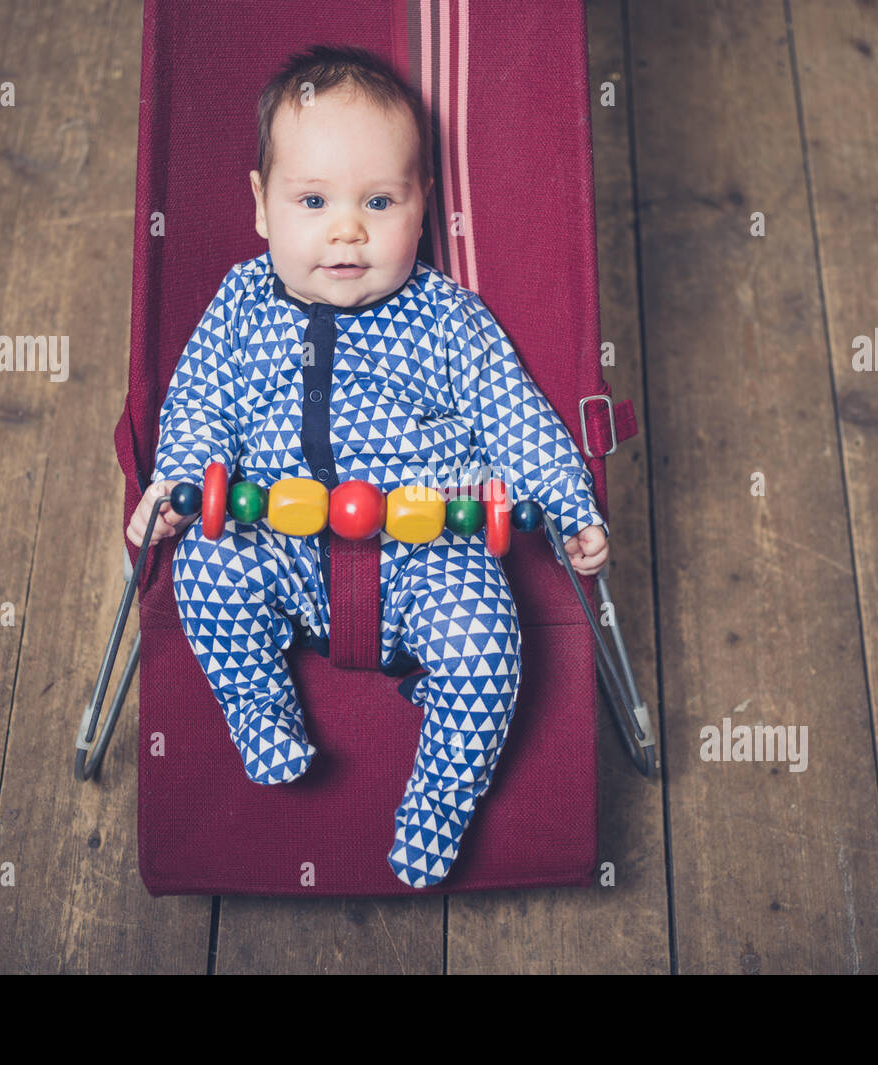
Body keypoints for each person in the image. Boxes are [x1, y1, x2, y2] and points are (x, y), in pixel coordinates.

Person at [125, 44, 608, 888]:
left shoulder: (447, 317)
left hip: (430, 553)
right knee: (207, 571)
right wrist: (177, 482)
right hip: (274, 537)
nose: (347, 230)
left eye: (379, 201)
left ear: (423, 207)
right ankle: (259, 705)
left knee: (487, 647)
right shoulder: (240, 306)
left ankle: (440, 800)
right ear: (262, 206)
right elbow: (198, 403)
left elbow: (513, 415)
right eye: (313, 200)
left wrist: (571, 508)